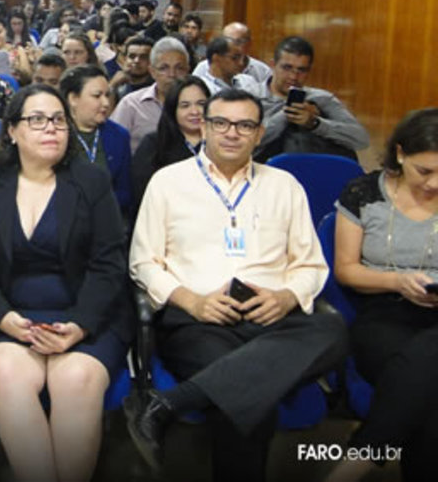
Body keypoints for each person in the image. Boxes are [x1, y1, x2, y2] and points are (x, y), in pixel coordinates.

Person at [127, 88, 348, 482]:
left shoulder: (285, 185)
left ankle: (168, 405)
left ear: (260, 134)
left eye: (245, 125)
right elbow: (143, 262)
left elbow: (310, 265)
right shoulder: (167, 182)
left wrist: (284, 297)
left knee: (333, 329)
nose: (232, 133)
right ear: (205, 127)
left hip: (272, 319)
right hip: (198, 320)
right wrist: (192, 302)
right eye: (221, 123)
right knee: (247, 399)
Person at [0, 84, 133, 482]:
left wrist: (80, 325)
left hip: (86, 314)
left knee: (74, 379)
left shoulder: (90, 180)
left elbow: (109, 263)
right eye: (36, 119)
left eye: (58, 119)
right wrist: (3, 319)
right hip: (14, 315)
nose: (50, 128)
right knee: (6, 371)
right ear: (12, 132)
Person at [322, 108, 438, 482]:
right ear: (401, 154)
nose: (434, 184)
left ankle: (360, 458)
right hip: (383, 315)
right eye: (425, 171)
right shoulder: (364, 193)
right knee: (427, 386)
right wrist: (397, 282)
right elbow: (346, 269)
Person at [255, 36, 369, 162]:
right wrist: (288, 113)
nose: (293, 76)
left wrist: (316, 124)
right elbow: (247, 141)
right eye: (287, 68)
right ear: (272, 65)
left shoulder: (321, 99)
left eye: (301, 70)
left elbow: (361, 140)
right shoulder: (251, 97)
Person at [60, 65, 133, 215]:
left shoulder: (119, 135)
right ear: (73, 98)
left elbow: (125, 193)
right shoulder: (54, 134)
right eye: (97, 96)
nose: (106, 103)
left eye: (107, 95)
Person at [131, 76, 211, 207]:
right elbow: (142, 193)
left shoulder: (220, 143)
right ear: (173, 110)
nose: (195, 111)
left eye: (201, 104)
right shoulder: (154, 144)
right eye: (185, 106)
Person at [110, 37, 191, 153]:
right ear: (152, 71)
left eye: (179, 68)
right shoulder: (131, 104)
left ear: (188, 70)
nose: (172, 74)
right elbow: (112, 146)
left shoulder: (199, 106)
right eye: (164, 68)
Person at [194, 22, 272, 85]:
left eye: (238, 41)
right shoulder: (203, 68)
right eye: (226, 40)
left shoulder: (262, 71)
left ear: (249, 43)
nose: (233, 45)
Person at [196, 36, 265, 96]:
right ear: (216, 58)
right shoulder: (201, 88)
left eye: (242, 58)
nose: (241, 63)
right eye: (235, 58)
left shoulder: (248, 82)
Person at [109, 35, 154, 103]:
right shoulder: (117, 87)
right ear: (124, 59)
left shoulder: (157, 89)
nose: (136, 60)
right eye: (132, 56)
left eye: (143, 57)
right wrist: (112, 86)